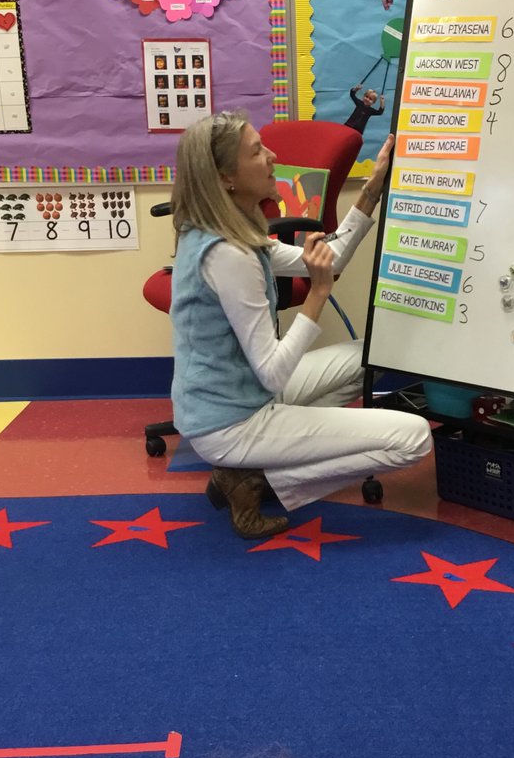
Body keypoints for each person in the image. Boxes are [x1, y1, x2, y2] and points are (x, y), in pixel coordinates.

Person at [168, 112, 433, 539]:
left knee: (369, 356)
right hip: (231, 422)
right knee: (414, 438)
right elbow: (273, 371)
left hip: (243, 396)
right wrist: (318, 294)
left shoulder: (224, 230)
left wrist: (372, 189)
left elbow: (332, 258)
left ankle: (253, 467)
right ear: (226, 178)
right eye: (257, 151)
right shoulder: (230, 255)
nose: (272, 156)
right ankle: (258, 479)